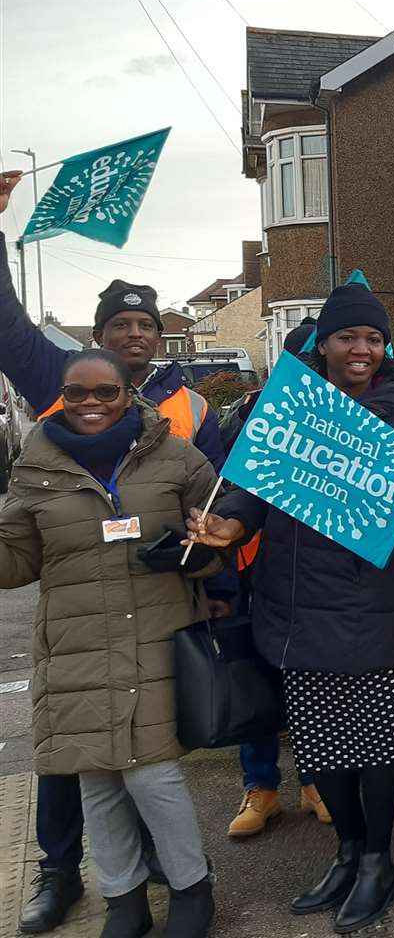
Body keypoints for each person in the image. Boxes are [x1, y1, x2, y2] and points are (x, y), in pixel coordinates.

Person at [187, 283, 394, 933]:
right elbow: (246, 488)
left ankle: (380, 861)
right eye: (349, 336)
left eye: (373, 338)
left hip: (367, 605)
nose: (362, 349)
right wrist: (229, 527)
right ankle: (347, 852)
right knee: (320, 751)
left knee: (373, 747)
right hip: (291, 602)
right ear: (324, 342)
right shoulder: (291, 407)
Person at [0, 171, 232, 933]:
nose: (133, 337)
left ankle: (171, 879)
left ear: (157, 341)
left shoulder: (183, 405)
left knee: (155, 768)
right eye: (118, 326)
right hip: (78, 624)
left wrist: (212, 556)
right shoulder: (54, 389)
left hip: (161, 611)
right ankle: (63, 875)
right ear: (93, 343)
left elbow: (225, 497)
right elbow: (5, 325)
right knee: (79, 766)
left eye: (145, 327)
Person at [227, 322, 331, 835]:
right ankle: (261, 788)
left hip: (314, 580)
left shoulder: (350, 424)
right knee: (260, 688)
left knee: (309, 685)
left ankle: (315, 780)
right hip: (254, 571)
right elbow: (230, 490)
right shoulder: (256, 419)